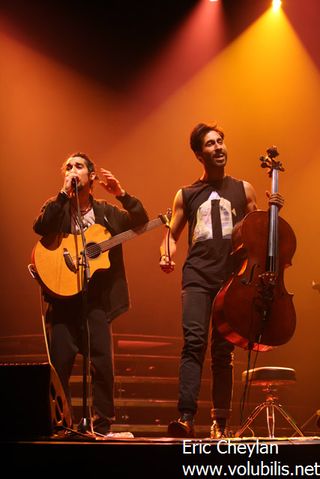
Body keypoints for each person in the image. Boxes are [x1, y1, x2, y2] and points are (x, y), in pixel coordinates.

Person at [159, 123, 284, 438]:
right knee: (194, 343)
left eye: (221, 142)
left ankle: (221, 423)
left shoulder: (243, 189)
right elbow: (170, 236)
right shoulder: (185, 194)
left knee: (223, 351)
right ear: (199, 154)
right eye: (210, 144)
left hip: (232, 280)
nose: (218, 147)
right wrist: (166, 254)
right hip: (197, 277)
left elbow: (259, 233)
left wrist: (274, 212)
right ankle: (186, 417)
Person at [33, 152, 149, 436]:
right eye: (68, 167)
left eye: (79, 166)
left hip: (96, 301)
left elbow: (140, 220)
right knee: (59, 367)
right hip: (61, 302)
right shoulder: (57, 206)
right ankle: (61, 426)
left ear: (92, 178)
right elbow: (40, 227)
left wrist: (121, 193)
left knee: (102, 365)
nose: (73, 170)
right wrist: (63, 194)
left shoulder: (106, 213)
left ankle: (103, 427)